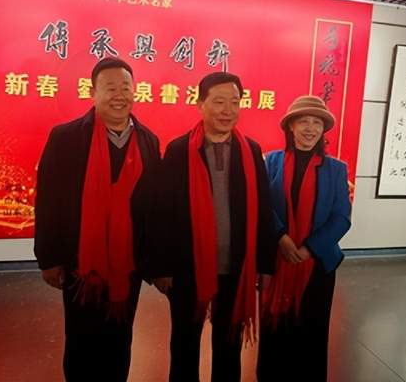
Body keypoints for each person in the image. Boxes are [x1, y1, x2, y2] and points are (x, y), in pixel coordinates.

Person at [34, 57, 160, 382]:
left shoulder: (148, 141)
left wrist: (154, 263)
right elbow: (48, 200)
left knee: (120, 338)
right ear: (93, 93)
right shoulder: (66, 138)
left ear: (135, 91)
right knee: (81, 340)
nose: (119, 95)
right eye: (110, 88)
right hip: (81, 264)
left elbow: (152, 207)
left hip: (127, 262)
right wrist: (49, 258)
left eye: (125, 87)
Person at [147, 72, 277, 382]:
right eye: (219, 102)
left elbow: (263, 209)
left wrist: (264, 264)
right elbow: (161, 212)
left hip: (236, 267)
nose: (227, 110)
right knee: (185, 343)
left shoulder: (251, 151)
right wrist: (161, 267)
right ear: (200, 104)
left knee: (229, 344)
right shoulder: (179, 151)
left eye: (235, 102)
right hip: (187, 266)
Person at [257, 95, 352, 382]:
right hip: (278, 259)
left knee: (312, 330)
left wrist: (309, 248)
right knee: (275, 328)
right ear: (291, 126)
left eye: (317, 123)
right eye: (303, 122)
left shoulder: (336, 169)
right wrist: (281, 238)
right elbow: (263, 206)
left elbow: (341, 217)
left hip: (318, 264)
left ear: (323, 130)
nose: (310, 129)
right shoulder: (271, 161)